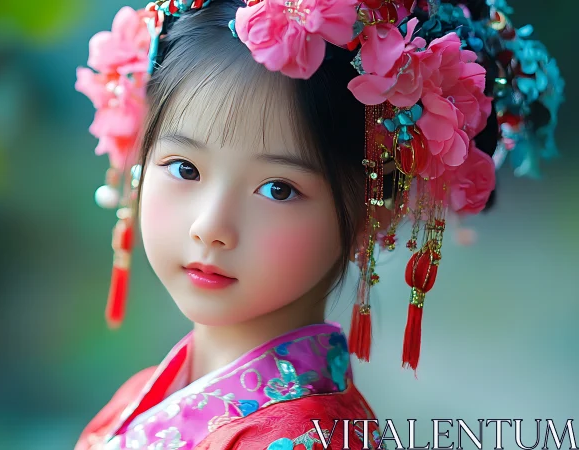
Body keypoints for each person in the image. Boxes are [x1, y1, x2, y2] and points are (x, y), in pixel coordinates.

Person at [73, 0, 563, 448]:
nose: (211, 226)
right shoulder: (144, 392)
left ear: (375, 209)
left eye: (279, 189)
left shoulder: (312, 438)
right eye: (185, 168)